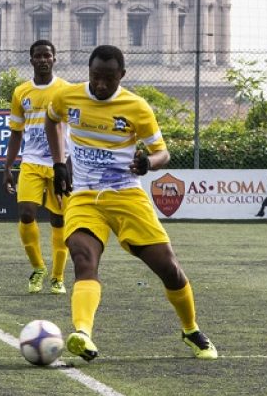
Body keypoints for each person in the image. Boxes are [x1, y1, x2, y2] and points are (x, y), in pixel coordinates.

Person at [44, 44, 217, 361]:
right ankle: (83, 333)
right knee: (83, 259)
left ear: (122, 75)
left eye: (108, 78)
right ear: (89, 72)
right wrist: (59, 163)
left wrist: (148, 163)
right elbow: (52, 119)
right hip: (84, 196)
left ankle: (190, 329)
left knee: (169, 269)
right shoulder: (67, 96)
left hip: (126, 195)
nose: (100, 84)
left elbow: (162, 153)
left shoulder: (137, 107)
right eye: (95, 76)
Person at [2, 40, 70, 294]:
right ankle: (38, 267)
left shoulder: (66, 90)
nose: (43, 60)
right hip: (31, 161)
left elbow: (74, 129)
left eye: (47, 55)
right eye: (38, 56)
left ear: (54, 59)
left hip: (59, 163)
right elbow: (16, 132)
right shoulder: (21, 92)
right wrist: (8, 167)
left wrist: (69, 163)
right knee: (26, 213)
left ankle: (58, 277)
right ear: (31, 60)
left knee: (59, 219)